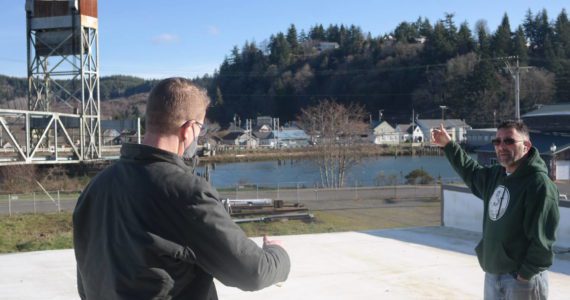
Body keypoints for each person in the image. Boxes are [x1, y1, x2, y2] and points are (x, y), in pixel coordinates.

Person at [73, 78, 290, 299]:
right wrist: (278, 253)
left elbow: (86, 278)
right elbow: (253, 271)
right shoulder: (186, 192)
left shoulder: (95, 188)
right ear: (188, 130)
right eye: (200, 128)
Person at [432, 120, 559, 300]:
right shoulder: (496, 175)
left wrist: (524, 275)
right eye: (497, 142)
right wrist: (449, 145)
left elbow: (543, 242)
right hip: (493, 274)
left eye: (509, 141)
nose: (501, 146)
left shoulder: (538, 185)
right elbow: (471, 171)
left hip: (521, 280)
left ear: (526, 146)